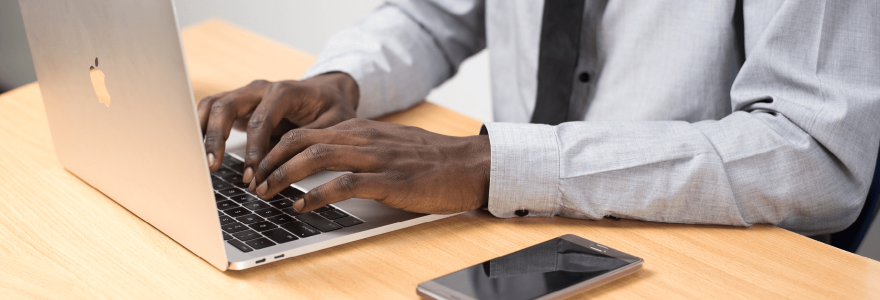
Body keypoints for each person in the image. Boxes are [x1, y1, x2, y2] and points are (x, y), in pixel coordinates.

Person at [197, 0, 880, 236]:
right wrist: (343, 81)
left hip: (692, 250)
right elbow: (433, 16)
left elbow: (813, 153)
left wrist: (488, 164)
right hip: (513, 229)